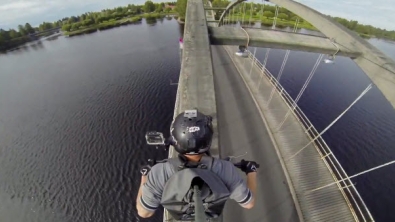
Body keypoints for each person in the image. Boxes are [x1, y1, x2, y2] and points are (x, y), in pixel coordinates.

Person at [136, 110, 259, 219]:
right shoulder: (225, 169)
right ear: (208, 140)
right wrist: (251, 171)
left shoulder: (160, 171)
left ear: (176, 141)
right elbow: (249, 203)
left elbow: (143, 213)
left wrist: (144, 176)